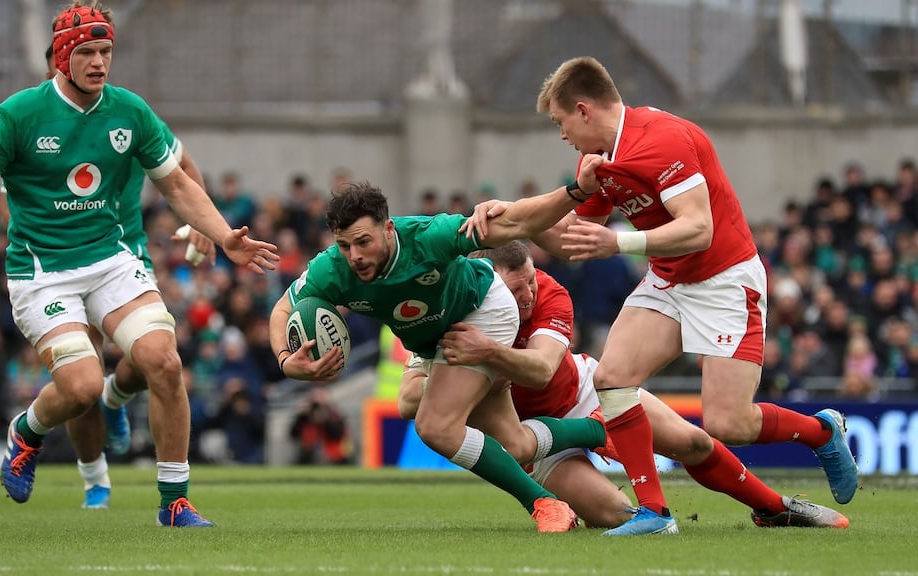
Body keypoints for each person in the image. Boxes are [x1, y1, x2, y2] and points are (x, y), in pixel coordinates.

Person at [0, 1, 278, 527]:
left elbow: (178, 183)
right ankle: (28, 431)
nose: (100, 62)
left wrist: (224, 236)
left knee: (164, 360)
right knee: (83, 388)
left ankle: (174, 501)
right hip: (43, 274)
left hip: (111, 260)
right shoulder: (18, 115)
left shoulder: (129, 111)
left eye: (106, 51)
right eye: (87, 52)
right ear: (62, 57)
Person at [463, 56, 858, 535]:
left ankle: (821, 431)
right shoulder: (597, 162)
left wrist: (619, 242)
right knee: (612, 378)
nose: (562, 134)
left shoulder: (661, 140)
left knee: (728, 424)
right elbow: (573, 237)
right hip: (669, 278)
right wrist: (512, 218)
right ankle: (654, 513)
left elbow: (699, 228)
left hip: (724, 279)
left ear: (584, 110)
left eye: (560, 122)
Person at [398, 241, 848, 530]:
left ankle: (773, 507)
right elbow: (408, 400)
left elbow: (541, 369)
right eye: (516, 291)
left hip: (583, 391)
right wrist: (455, 374)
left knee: (692, 441)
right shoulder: (455, 310)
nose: (528, 295)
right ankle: (597, 441)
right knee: (613, 515)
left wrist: (486, 355)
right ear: (486, 286)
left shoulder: (551, 293)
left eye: (530, 280)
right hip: (535, 440)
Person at [269, 181, 607, 533]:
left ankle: (544, 504)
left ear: (388, 229)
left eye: (363, 242)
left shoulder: (428, 237)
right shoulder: (331, 269)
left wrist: (575, 191)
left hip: (483, 310)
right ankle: (596, 428)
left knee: (435, 425)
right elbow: (282, 309)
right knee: (516, 445)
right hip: (434, 339)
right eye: (344, 245)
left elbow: (517, 222)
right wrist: (286, 360)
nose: (354, 256)